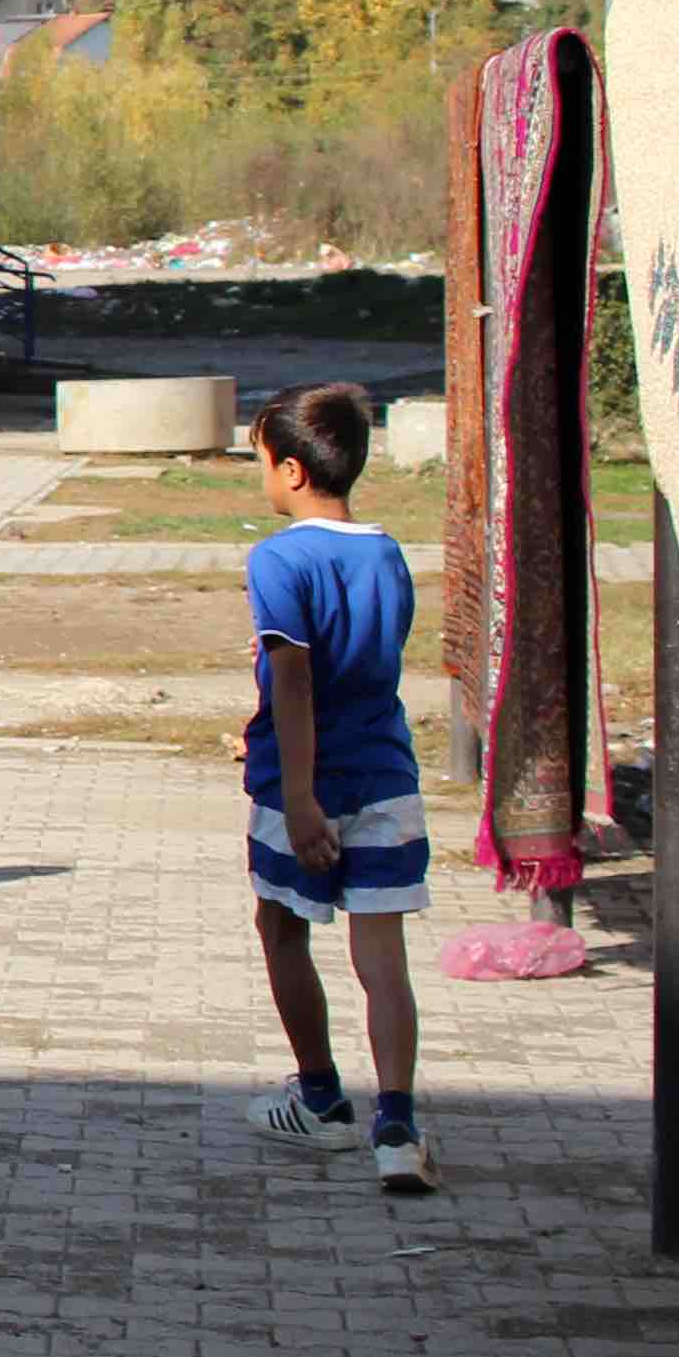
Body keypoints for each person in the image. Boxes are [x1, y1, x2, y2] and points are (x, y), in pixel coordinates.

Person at [236, 380, 438, 1196]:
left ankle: (319, 1096)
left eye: (257, 459)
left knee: (281, 925)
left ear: (287, 468)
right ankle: (397, 1124)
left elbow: (292, 678)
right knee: (380, 954)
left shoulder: (278, 557)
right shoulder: (385, 551)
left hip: (302, 780)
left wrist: (302, 796)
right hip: (387, 771)